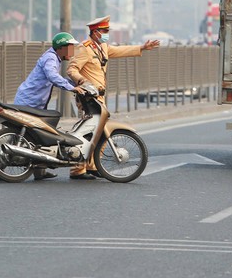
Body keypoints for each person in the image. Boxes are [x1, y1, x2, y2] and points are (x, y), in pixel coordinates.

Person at [66, 15, 160, 180]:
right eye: (104, 31)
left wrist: (142, 48)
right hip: (88, 98)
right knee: (86, 131)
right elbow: (72, 69)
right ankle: (77, 169)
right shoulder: (84, 48)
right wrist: (82, 81)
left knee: (101, 130)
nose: (106, 34)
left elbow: (119, 51)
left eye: (107, 31)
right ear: (95, 32)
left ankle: (92, 166)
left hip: (99, 97)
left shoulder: (102, 47)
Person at [13, 32, 86, 181]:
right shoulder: (51, 58)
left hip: (34, 102)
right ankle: (1, 167)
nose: (72, 51)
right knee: (35, 132)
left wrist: (76, 84)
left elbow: (56, 78)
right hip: (28, 102)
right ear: (62, 48)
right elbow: (52, 76)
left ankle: (40, 170)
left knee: (38, 136)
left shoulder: (54, 58)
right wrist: (71, 88)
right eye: (70, 47)